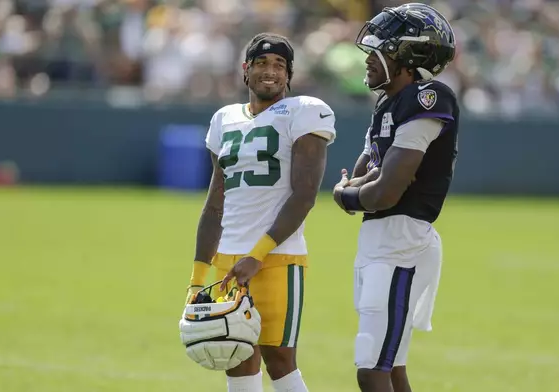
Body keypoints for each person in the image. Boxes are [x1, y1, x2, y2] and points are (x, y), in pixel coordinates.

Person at [186, 32, 337, 392]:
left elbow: (304, 196)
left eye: (279, 65)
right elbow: (215, 204)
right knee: (234, 358)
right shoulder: (224, 119)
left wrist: (257, 255)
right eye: (261, 63)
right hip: (227, 259)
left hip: (277, 258)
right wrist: (196, 279)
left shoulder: (304, 111)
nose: (270, 71)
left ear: (289, 75)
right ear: (245, 69)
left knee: (280, 361)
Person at [332, 4, 459, 392]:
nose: (369, 58)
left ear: (409, 57)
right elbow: (364, 175)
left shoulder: (427, 98)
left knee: (371, 369)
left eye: (381, 50)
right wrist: (359, 187)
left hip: (400, 242)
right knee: (391, 368)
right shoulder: (389, 103)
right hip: (384, 240)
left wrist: (348, 196)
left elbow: (384, 192)